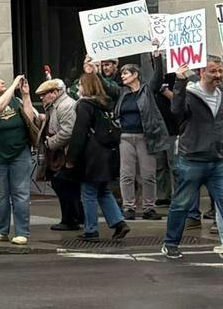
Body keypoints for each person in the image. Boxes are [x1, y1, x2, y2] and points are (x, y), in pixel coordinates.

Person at [160, 55, 223, 260]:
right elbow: (176, 111)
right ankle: (170, 244)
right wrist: (179, 80)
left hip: (217, 159)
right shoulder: (190, 93)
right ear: (201, 72)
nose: (218, 75)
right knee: (181, 204)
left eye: (220, 71)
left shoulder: (221, 94)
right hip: (192, 159)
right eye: (213, 71)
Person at [0, 73, 41, 246]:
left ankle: (21, 232)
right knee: (0, 195)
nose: (2, 82)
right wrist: (12, 87)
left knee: (20, 193)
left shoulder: (14, 101)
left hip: (19, 153)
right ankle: (1, 230)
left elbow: (29, 118)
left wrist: (25, 95)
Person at [68, 70, 129, 244]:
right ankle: (118, 222)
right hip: (108, 153)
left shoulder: (84, 106)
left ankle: (91, 230)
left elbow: (79, 133)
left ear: (86, 86)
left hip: (92, 156)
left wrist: (71, 158)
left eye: (80, 84)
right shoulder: (105, 104)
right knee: (103, 190)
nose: (78, 87)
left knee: (88, 193)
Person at [114, 61, 168, 220]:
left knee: (148, 174)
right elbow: (105, 85)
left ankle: (149, 208)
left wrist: (157, 57)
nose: (122, 76)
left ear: (135, 75)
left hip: (145, 137)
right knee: (126, 174)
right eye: (122, 73)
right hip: (125, 137)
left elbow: (157, 77)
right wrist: (93, 70)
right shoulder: (122, 92)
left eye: (126, 73)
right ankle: (128, 207)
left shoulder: (147, 90)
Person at [37, 78, 83, 234]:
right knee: (63, 184)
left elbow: (67, 132)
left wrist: (50, 143)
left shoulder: (65, 106)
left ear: (55, 92)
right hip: (60, 152)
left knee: (63, 184)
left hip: (65, 153)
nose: (42, 98)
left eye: (45, 94)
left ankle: (71, 219)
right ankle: (74, 217)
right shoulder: (56, 106)